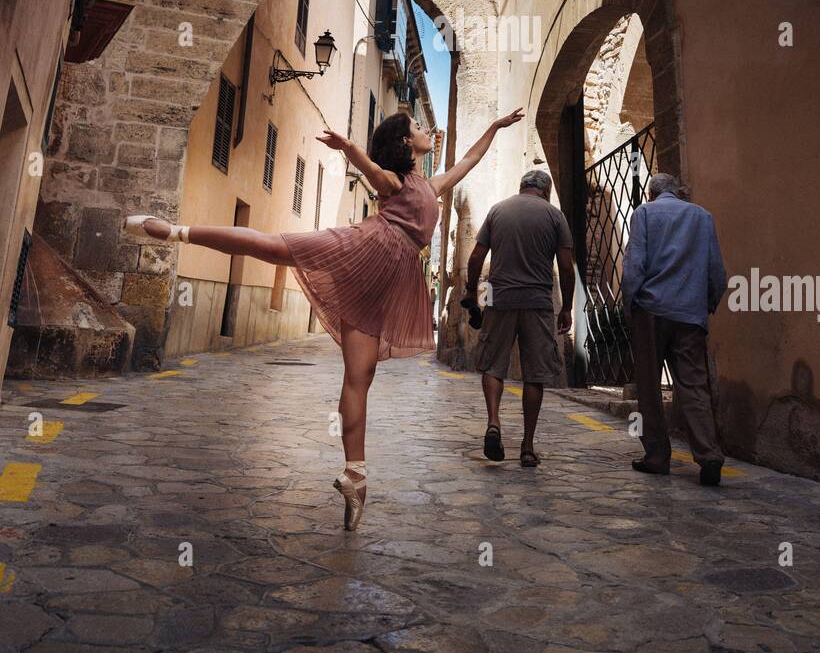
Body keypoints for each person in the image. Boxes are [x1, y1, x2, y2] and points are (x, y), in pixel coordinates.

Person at [125, 106, 524, 530]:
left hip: (387, 277)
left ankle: (355, 474)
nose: (427, 130)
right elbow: (373, 172)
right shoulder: (397, 182)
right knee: (271, 246)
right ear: (406, 142)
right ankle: (175, 231)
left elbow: (469, 161)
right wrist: (349, 147)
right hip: (367, 248)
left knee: (360, 376)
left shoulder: (429, 185)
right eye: (418, 126)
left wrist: (495, 128)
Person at [621, 172, 727, 486]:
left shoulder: (644, 213)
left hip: (652, 311)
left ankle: (656, 457)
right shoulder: (702, 216)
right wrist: (707, 302)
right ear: (678, 192)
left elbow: (634, 265)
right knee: (694, 385)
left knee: (650, 387)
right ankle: (709, 454)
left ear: (652, 193)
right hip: (690, 313)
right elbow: (716, 270)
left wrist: (631, 305)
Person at [466, 170, 575, 468]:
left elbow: (476, 257)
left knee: (492, 364)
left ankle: (493, 423)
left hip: (500, 297)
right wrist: (566, 306)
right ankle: (527, 447)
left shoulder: (498, 210)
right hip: (537, 302)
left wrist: (470, 291)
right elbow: (566, 266)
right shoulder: (555, 216)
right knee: (535, 374)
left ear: (521, 186)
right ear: (546, 190)